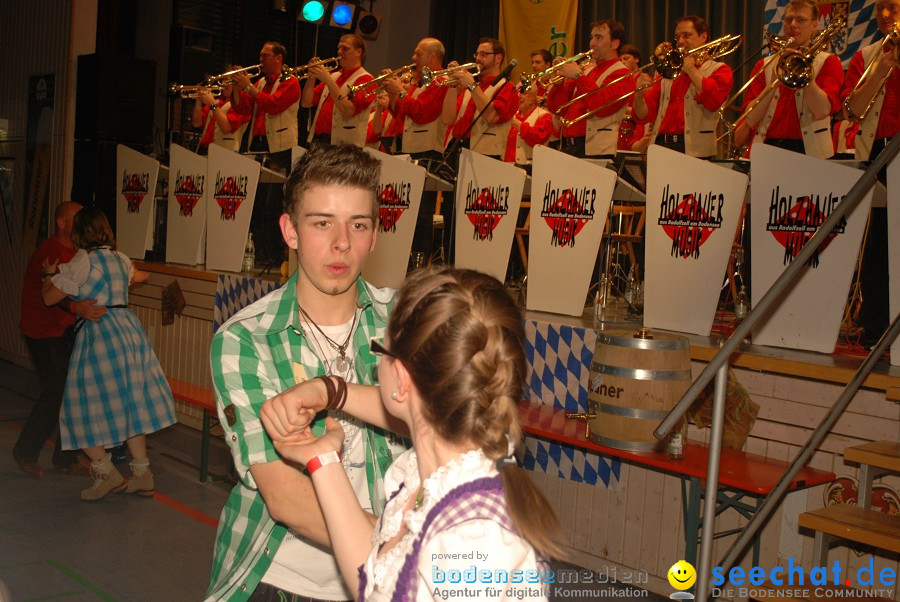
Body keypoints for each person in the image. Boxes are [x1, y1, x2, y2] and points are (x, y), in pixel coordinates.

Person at [260, 266, 563, 601]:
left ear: (401, 380)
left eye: (381, 351)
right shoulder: (425, 480)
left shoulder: (474, 543)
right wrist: (323, 459)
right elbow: (375, 578)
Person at [205, 144, 407, 601]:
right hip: (283, 579)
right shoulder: (246, 339)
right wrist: (403, 547)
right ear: (290, 231)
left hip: (386, 582)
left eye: (358, 225)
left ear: (374, 236)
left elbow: (447, 422)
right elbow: (284, 495)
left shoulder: (407, 322)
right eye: (321, 223)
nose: (342, 243)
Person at [41, 207, 176, 501]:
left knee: (77, 408)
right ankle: (143, 475)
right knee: (130, 405)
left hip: (100, 336)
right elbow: (141, 275)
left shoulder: (83, 261)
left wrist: (49, 275)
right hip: (128, 332)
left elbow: (49, 298)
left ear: (79, 233)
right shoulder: (120, 258)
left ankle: (106, 472)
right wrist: (131, 278)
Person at [13, 202, 105, 479]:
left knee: (71, 392)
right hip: (42, 330)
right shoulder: (51, 252)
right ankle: (26, 452)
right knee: (56, 391)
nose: (81, 222)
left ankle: (64, 458)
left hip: (64, 331)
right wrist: (79, 309)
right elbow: (52, 296)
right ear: (61, 223)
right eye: (75, 218)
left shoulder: (79, 253)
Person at [841, 0, 900, 347]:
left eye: (892, 7)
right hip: (878, 149)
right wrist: (878, 73)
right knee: (877, 241)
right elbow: (852, 110)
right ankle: (876, 322)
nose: (884, 15)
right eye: (879, 8)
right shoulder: (868, 55)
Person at [735, 0, 844, 159]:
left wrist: (805, 74)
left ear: (814, 25)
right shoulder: (764, 65)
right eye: (788, 19)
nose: (793, 24)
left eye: (800, 20)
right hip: (768, 146)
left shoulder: (829, 62)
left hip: (810, 150)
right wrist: (773, 80)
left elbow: (822, 111)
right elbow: (750, 118)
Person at [384, 37, 450, 259]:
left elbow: (423, 114)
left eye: (417, 54)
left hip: (427, 152)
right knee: (404, 207)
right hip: (407, 149)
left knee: (422, 212)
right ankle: (403, 258)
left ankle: (419, 259)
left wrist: (401, 93)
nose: (413, 59)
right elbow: (399, 114)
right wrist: (394, 93)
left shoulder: (441, 81)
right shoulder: (419, 82)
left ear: (432, 57)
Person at [632, 16, 734, 158]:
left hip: (695, 151)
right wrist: (638, 96)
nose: (680, 41)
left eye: (686, 35)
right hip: (661, 145)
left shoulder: (720, 69)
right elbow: (644, 115)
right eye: (677, 37)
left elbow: (714, 102)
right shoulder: (667, 71)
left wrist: (691, 70)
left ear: (703, 37)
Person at [545, 20, 635, 159]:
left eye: (598, 38)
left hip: (596, 151)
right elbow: (557, 108)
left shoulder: (623, 74)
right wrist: (558, 83)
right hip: (569, 146)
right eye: (592, 37)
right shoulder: (587, 72)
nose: (592, 43)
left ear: (615, 44)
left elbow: (599, 106)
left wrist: (577, 76)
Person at [441, 37, 519, 161]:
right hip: (456, 149)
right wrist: (452, 85)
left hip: (486, 155)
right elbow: (447, 119)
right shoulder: (472, 88)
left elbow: (492, 116)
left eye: (484, 55)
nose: (478, 59)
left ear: (498, 58)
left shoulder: (507, 87)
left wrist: (472, 86)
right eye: (477, 54)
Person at [231, 41, 301, 171]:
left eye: (265, 56)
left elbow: (273, 105)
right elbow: (244, 108)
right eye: (260, 56)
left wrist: (248, 86)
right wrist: (236, 89)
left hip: (280, 147)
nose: (260, 59)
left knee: (274, 188)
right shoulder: (261, 82)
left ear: (278, 58)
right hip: (257, 143)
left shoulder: (290, 81)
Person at [302, 33, 376, 148]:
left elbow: (349, 110)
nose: (339, 52)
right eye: (339, 48)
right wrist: (312, 76)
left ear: (358, 52)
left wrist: (328, 80)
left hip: (343, 145)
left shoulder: (367, 79)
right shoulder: (334, 75)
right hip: (318, 139)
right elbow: (306, 102)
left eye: (345, 48)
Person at [191, 71, 251, 153]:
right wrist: (198, 99)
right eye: (222, 80)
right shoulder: (217, 101)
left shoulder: (240, 103)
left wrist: (212, 103)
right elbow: (196, 123)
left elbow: (226, 127)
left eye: (226, 81)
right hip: (204, 150)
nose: (223, 84)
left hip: (224, 153)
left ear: (236, 83)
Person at [616, 44, 650, 153]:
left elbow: (647, 111)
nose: (623, 62)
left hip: (636, 129)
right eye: (620, 59)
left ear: (636, 59)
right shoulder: (621, 81)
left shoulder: (645, 80)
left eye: (626, 58)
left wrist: (620, 108)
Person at [512, 86, 553, 168]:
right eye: (517, 92)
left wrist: (515, 122)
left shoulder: (544, 116)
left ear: (534, 96)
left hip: (532, 168)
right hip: (508, 165)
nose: (518, 95)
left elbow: (537, 138)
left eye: (524, 93)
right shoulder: (514, 115)